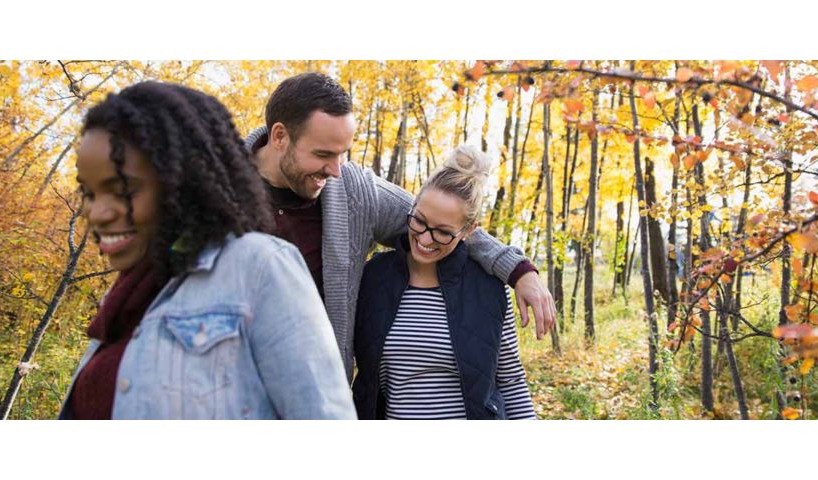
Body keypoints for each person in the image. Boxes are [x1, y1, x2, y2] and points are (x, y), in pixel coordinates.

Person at [59, 81, 355, 419]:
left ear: (183, 182)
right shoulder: (132, 291)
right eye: (91, 193)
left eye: (122, 191)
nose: (97, 213)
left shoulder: (260, 265)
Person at [245, 72, 556, 378]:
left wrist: (520, 271)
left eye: (342, 154)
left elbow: (442, 224)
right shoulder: (212, 194)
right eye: (323, 154)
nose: (335, 171)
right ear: (280, 136)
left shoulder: (354, 193)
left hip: (319, 399)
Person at [352, 146, 537, 419]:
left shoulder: (488, 289)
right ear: (412, 206)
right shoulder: (374, 277)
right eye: (420, 221)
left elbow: (511, 382)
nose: (425, 240)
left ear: (469, 231)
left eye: (443, 232)